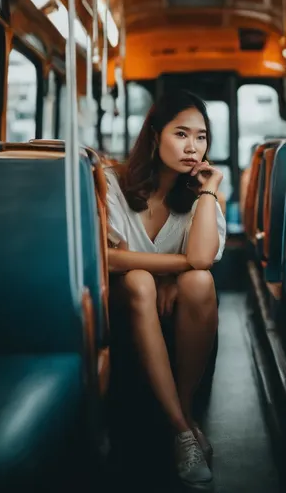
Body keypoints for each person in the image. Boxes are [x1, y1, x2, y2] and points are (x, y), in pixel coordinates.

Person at [105, 90, 226, 491]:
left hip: (177, 302)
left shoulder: (200, 196)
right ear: (155, 136)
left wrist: (210, 189)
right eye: (181, 134)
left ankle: (184, 417)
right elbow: (109, 261)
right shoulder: (111, 182)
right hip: (124, 302)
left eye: (202, 137)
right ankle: (181, 427)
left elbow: (204, 260)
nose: (193, 147)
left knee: (199, 281)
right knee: (139, 281)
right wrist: (175, 267)